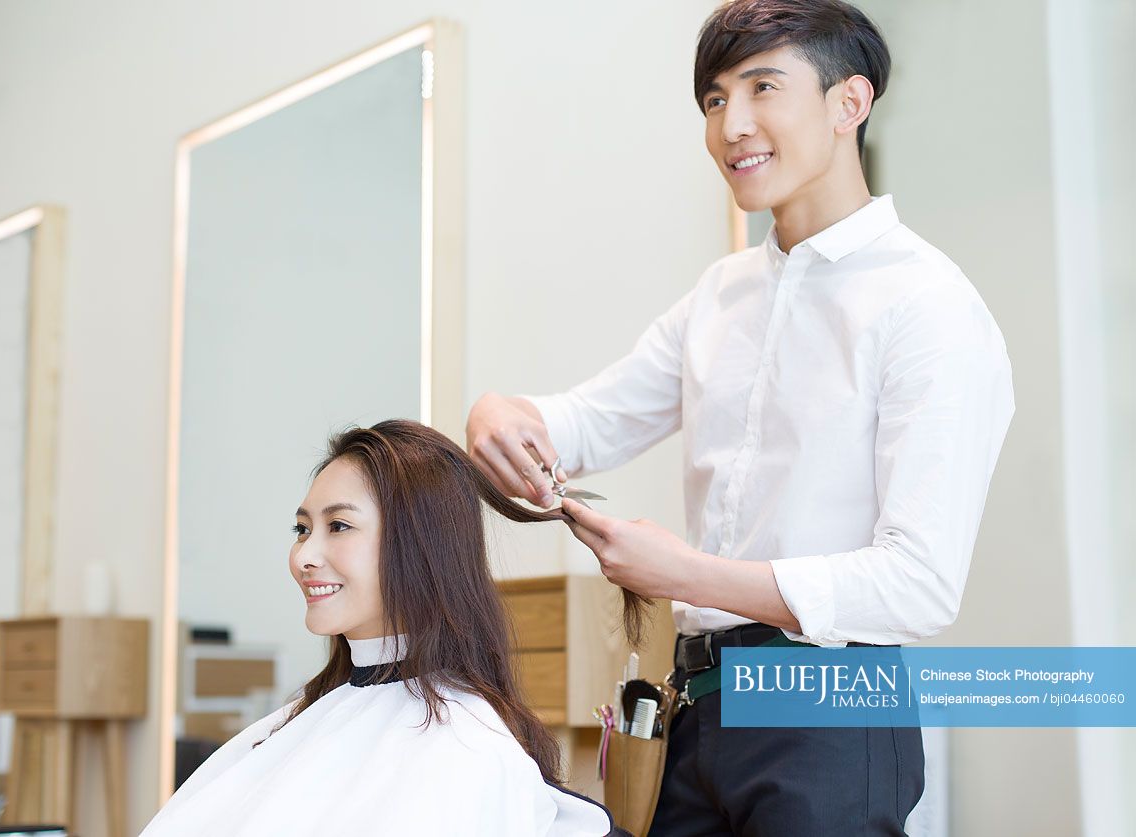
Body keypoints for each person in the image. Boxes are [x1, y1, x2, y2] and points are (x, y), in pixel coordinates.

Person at [465, 1, 1015, 834]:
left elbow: (917, 584)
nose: (733, 125)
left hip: (832, 701)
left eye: (763, 87)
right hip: (696, 704)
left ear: (848, 103)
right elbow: (585, 424)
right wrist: (498, 411)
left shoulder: (926, 304)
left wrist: (683, 574)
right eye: (715, 100)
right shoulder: (720, 295)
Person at [140, 420, 619, 837]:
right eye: (302, 529)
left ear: (419, 544)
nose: (304, 557)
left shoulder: (464, 747)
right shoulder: (314, 717)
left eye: (339, 527)